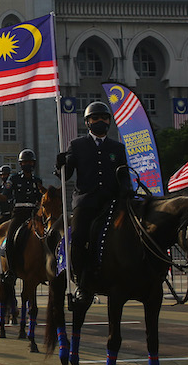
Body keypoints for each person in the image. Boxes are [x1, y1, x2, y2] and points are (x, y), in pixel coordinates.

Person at [55, 101, 131, 304]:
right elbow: (67, 172)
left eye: (104, 118)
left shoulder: (117, 147)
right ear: (87, 122)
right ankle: (82, 283)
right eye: (95, 118)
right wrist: (61, 165)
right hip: (86, 201)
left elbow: (124, 174)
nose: (100, 121)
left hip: (111, 201)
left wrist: (126, 189)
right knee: (79, 238)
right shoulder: (77, 145)